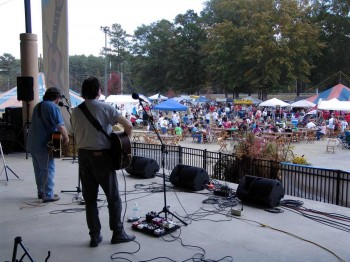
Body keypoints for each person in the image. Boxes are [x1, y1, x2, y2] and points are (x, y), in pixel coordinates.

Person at [71, 77, 135, 248]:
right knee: (113, 197)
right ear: (98, 91)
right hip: (101, 157)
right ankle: (118, 233)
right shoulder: (105, 108)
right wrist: (125, 146)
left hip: (83, 157)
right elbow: (128, 126)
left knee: (90, 199)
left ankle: (95, 236)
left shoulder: (75, 111)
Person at [27, 87, 69, 202]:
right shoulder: (53, 107)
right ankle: (48, 195)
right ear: (57, 98)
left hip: (32, 143)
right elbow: (60, 126)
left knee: (38, 170)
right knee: (48, 169)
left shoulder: (38, 106)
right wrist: (66, 138)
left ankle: (41, 192)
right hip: (43, 144)